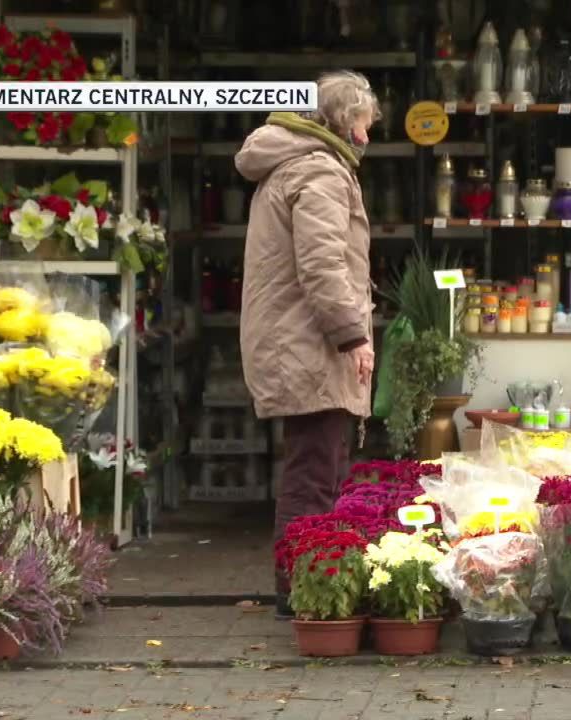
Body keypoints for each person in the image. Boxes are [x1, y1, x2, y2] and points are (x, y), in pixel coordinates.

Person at [235, 71, 379, 617]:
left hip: (297, 339)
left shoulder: (297, 165)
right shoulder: (320, 172)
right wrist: (353, 337)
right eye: (364, 122)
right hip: (310, 343)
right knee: (314, 472)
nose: (368, 135)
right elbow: (322, 266)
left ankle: (307, 585)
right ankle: (300, 591)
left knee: (317, 463)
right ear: (346, 123)